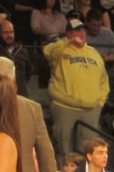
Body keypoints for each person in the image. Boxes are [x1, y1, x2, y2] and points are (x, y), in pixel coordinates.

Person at [44, 17, 109, 158]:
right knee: (63, 150)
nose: (82, 33)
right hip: (65, 107)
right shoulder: (59, 49)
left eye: (83, 30)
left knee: (88, 152)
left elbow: (104, 81)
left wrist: (100, 102)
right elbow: (49, 53)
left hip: (91, 109)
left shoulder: (93, 52)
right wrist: (69, 42)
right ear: (69, 33)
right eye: (77, 30)